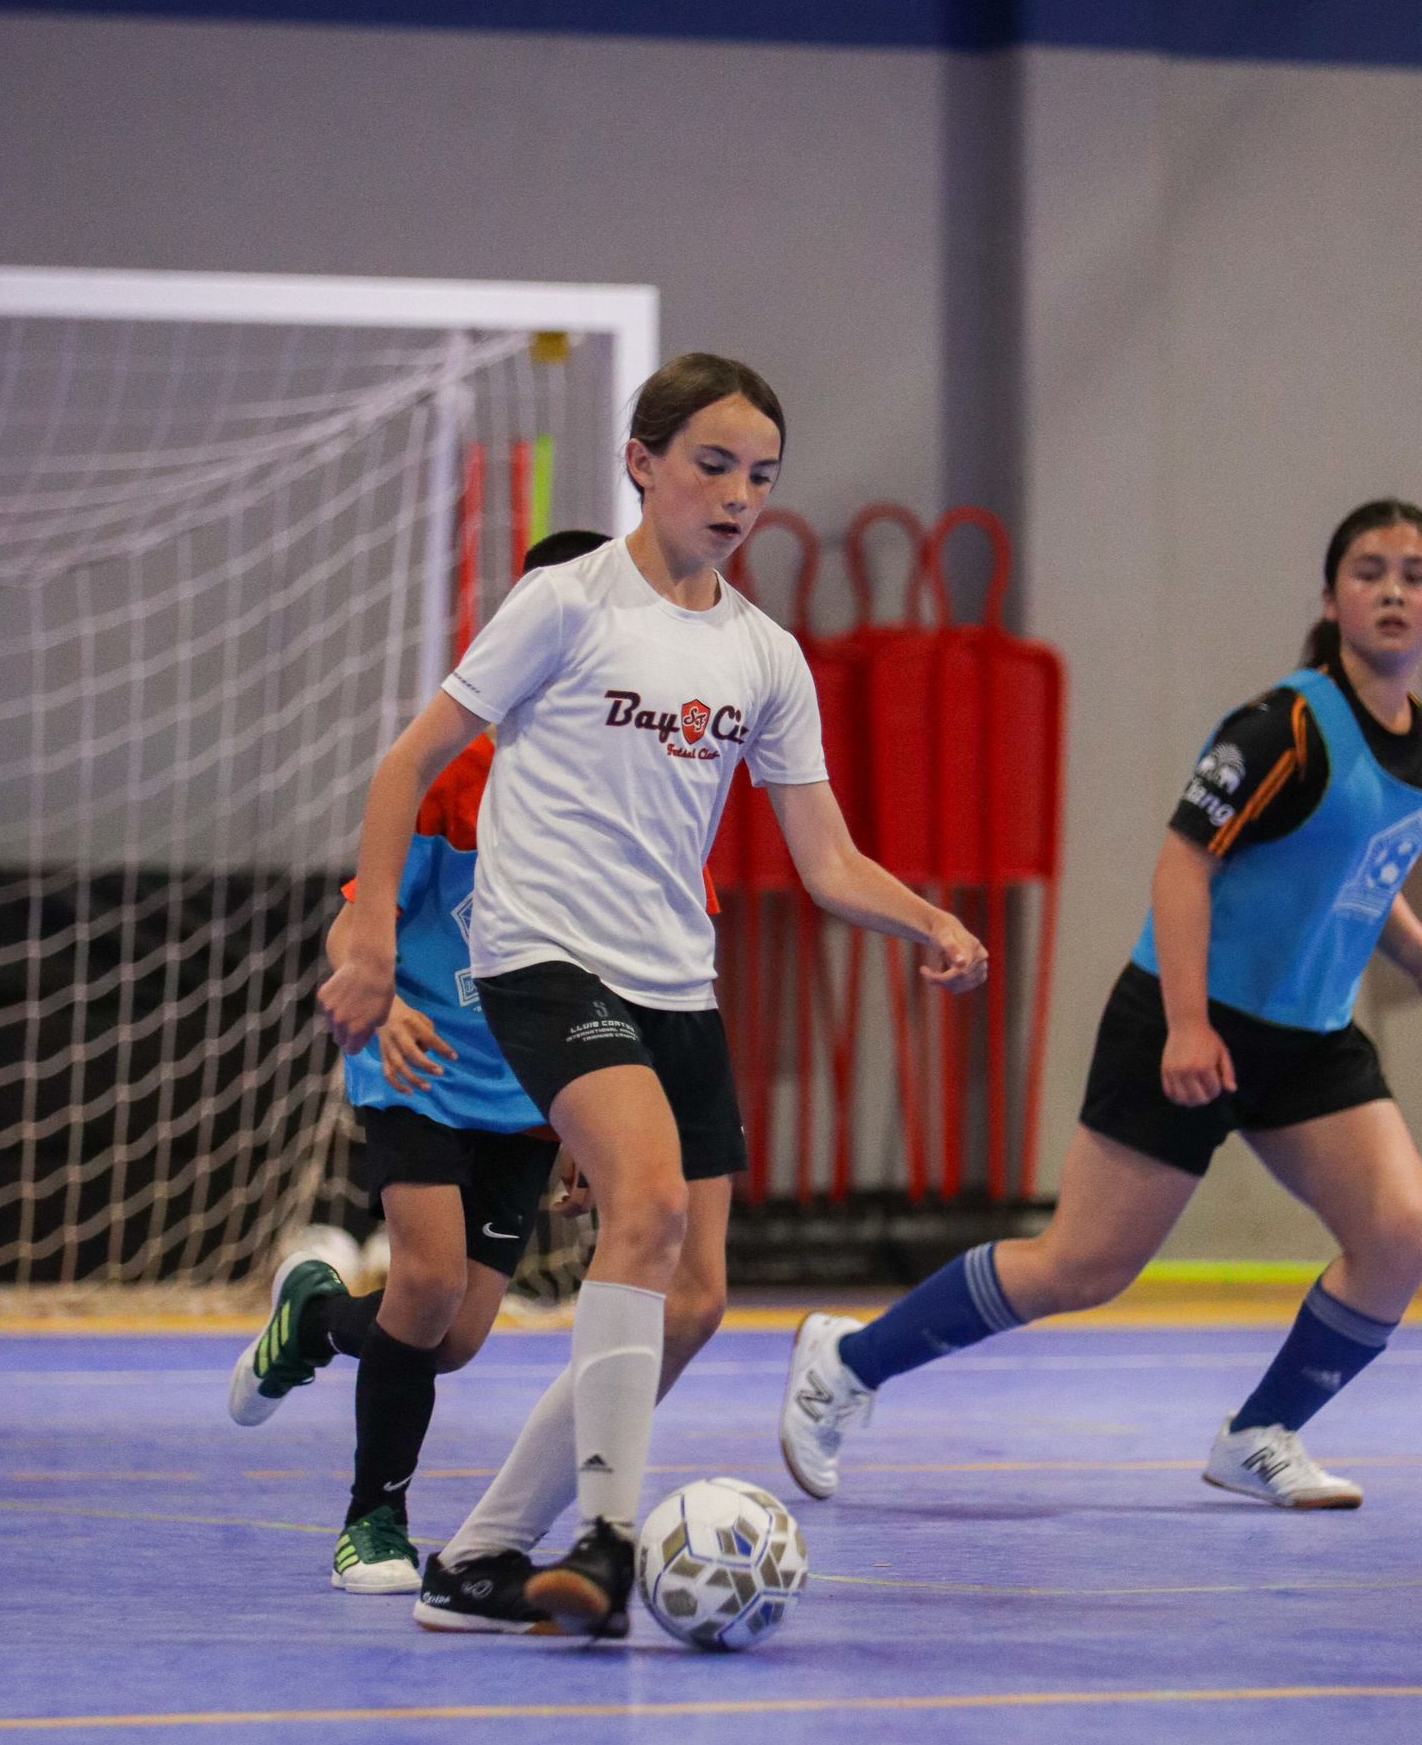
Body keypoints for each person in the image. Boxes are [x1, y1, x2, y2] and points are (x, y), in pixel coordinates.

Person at [319, 352, 987, 1634]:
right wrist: (362, 932)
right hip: (543, 957)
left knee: (693, 1298)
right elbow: (410, 764)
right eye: (713, 465)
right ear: (643, 462)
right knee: (648, 1200)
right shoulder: (563, 605)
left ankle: (481, 1559)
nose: (738, 495)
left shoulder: (764, 656)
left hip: (679, 979)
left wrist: (929, 919)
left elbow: (826, 857)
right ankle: (613, 1540)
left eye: (762, 478)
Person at [780, 498, 1422, 1512]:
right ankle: (848, 1361)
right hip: (1189, 1014)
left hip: (1312, 1037)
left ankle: (1261, 1435)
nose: (1392, 589)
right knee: (1080, 1268)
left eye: (1414, 573)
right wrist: (1191, 1022)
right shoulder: (1284, 727)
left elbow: (1359, 873)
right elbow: (1181, 866)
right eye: (1369, 570)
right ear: (1331, 599)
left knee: (1402, 1235)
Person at [230, 529, 609, 1595]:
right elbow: (357, 924)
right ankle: (373, 1523)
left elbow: (636, 972)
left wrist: (601, 1114)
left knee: (449, 1339)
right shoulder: (458, 775)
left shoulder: (635, 799)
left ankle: (313, 1316)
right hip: (419, 1054)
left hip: (536, 1089)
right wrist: (380, 991)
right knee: (430, 1279)